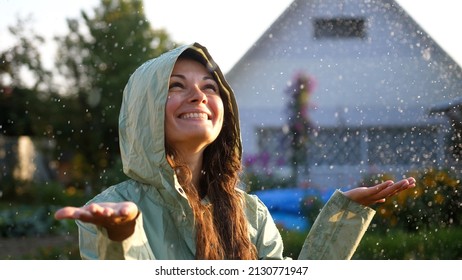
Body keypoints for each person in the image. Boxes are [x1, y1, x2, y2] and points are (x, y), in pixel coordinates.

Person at [54, 42, 416, 260]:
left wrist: (344, 217)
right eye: (176, 86)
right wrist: (121, 236)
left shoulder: (250, 212)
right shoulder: (113, 210)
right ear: (143, 111)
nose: (198, 95)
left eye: (209, 87)